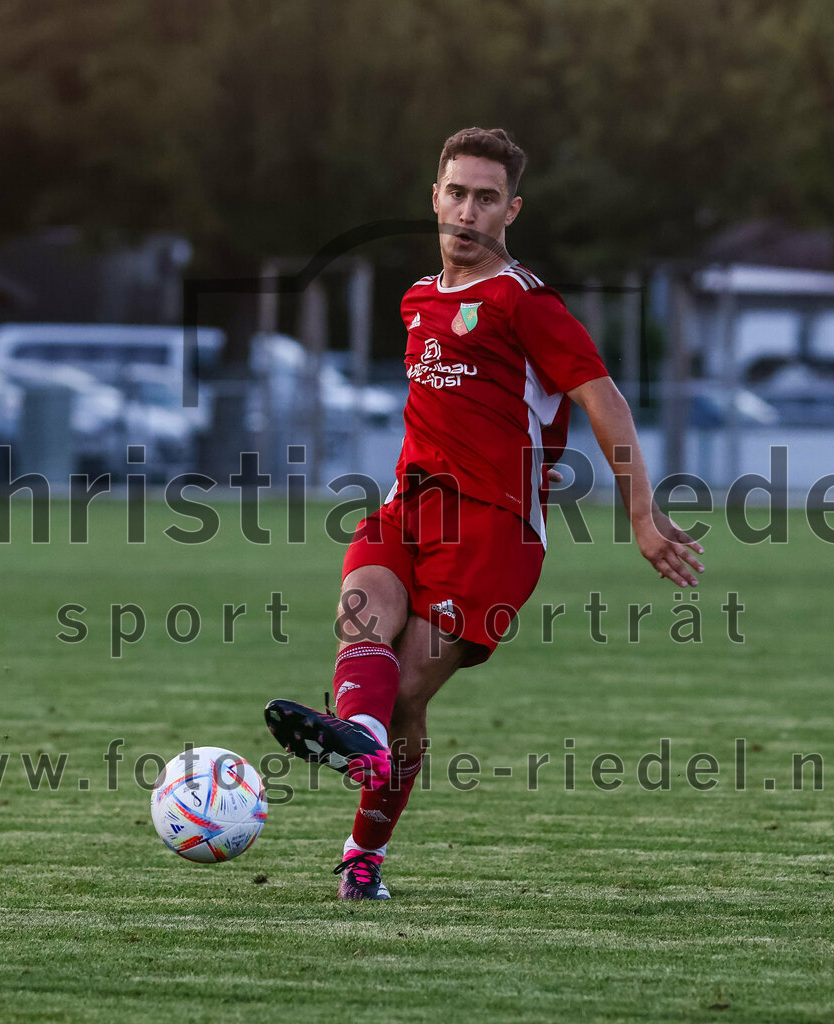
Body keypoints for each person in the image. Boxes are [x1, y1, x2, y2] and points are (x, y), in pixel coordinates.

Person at [264, 126, 705, 900]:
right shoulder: (416, 301)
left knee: (406, 693)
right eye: (456, 193)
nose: (467, 211)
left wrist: (640, 512)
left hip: (494, 531)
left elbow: (605, 403)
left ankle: (363, 850)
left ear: (511, 211)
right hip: (407, 508)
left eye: (486, 198)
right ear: (433, 197)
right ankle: (359, 740)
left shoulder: (523, 303)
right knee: (362, 616)